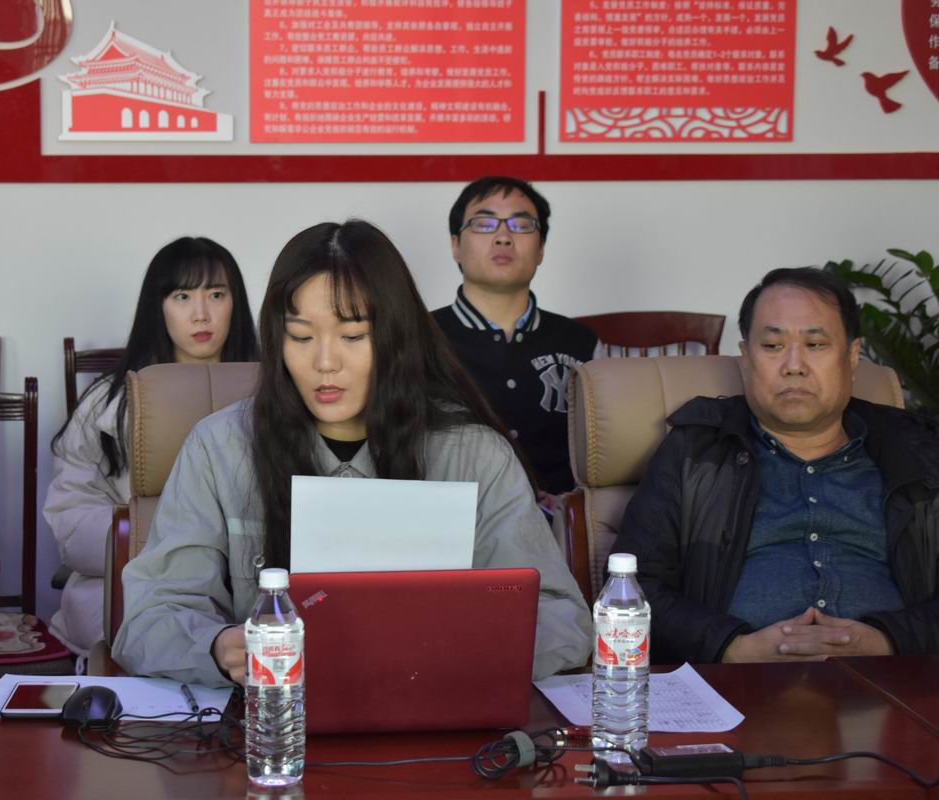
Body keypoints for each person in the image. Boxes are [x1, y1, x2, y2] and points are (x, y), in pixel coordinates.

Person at [111, 220, 592, 687]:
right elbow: (148, 622)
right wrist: (217, 647)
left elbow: (563, 620)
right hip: (270, 721)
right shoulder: (219, 447)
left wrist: (462, 648)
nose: (325, 362)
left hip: (436, 719)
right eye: (301, 336)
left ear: (397, 337)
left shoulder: (475, 455)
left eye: (353, 336)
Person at [612, 267, 939, 664]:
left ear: (852, 356)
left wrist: (888, 641)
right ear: (746, 357)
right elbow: (633, 585)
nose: (794, 365)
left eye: (815, 344)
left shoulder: (919, 452)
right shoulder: (696, 451)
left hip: (896, 682)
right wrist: (731, 648)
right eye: (772, 345)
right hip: (739, 687)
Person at [44, 237, 258, 655]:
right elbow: (70, 519)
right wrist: (172, 538)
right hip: (123, 586)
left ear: (236, 303)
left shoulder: (272, 397)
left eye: (216, 294)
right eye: (182, 296)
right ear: (157, 307)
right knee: (145, 638)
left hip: (248, 588)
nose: (201, 313)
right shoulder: (105, 404)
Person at [433, 176, 600, 505]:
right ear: (455, 245)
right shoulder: (418, 337)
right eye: (484, 224)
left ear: (541, 249)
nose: (503, 237)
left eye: (521, 225)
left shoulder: (582, 344)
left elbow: (603, 455)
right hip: (448, 520)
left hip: (558, 523)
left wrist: (570, 504)